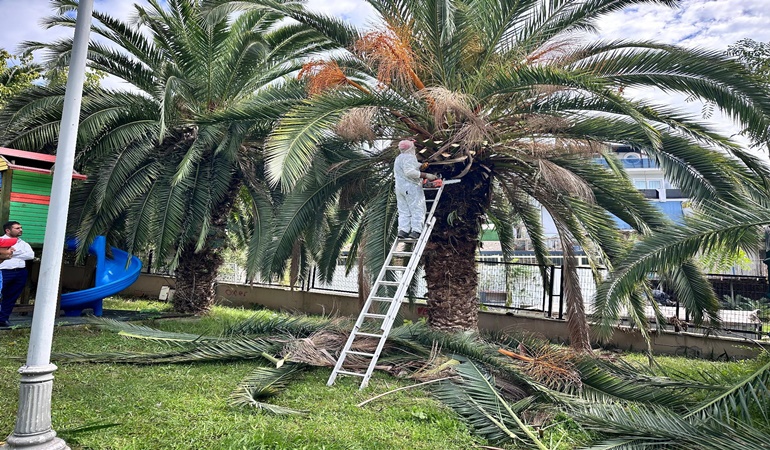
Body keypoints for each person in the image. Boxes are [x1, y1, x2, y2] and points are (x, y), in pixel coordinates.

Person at [394, 139, 437, 239]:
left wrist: (421, 166)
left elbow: (410, 166)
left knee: (404, 210)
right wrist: (426, 175)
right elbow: (409, 172)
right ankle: (416, 231)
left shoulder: (399, 158)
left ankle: (403, 230)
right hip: (411, 188)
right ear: (410, 148)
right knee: (418, 209)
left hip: (400, 188)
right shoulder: (409, 157)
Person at [0, 221, 35, 328]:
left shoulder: (23, 243)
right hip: (4, 271)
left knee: (11, 296)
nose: (20, 230)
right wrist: (18, 253)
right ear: (8, 230)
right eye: (17, 228)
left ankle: (3, 319)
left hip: (20, 272)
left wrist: (10, 253)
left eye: (21, 228)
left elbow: (30, 255)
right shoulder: (1, 241)